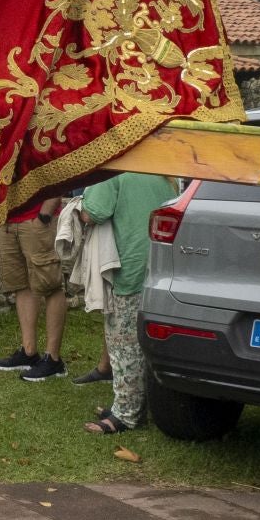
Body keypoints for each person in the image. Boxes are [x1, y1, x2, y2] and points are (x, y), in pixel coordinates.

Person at [75, 172, 179, 434]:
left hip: (127, 264)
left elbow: (94, 212)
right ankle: (132, 403)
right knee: (146, 341)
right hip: (161, 264)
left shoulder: (114, 170)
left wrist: (77, 206)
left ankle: (126, 415)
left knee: (123, 343)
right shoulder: (165, 171)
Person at [0, 193, 67, 381]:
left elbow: (57, 175)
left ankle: (53, 359)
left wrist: (44, 216)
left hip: (37, 220)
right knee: (21, 285)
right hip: (8, 222)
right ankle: (29, 352)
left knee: (51, 286)